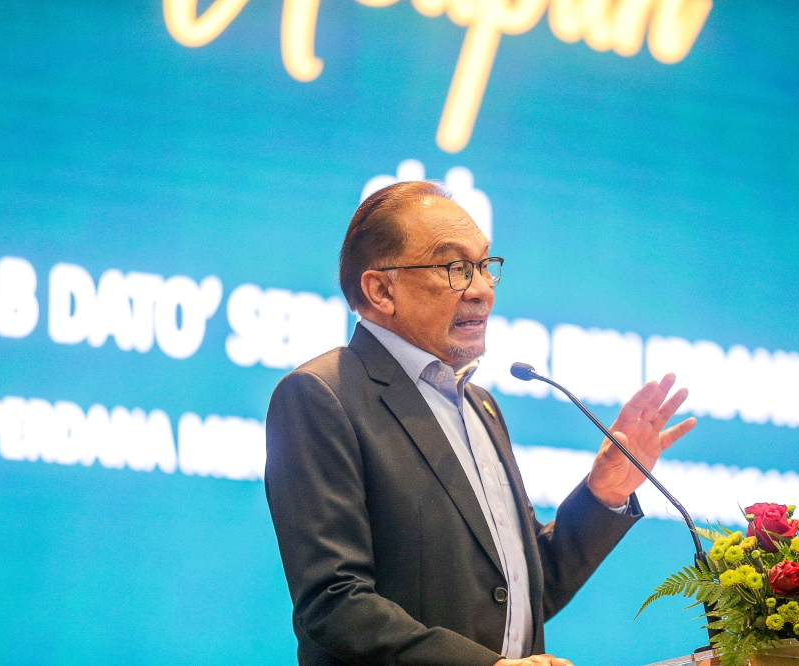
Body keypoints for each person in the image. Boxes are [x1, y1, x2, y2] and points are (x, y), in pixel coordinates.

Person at [264, 180, 697, 666]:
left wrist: (605, 494)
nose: (481, 289)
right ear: (381, 289)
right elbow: (335, 604)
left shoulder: (481, 406)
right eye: (455, 268)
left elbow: (524, 591)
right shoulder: (324, 395)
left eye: (484, 266)